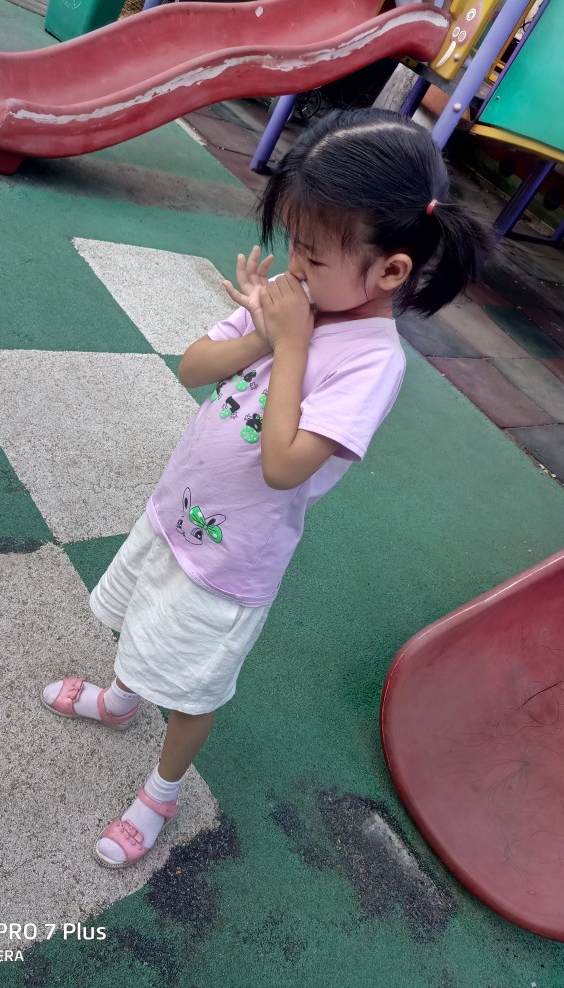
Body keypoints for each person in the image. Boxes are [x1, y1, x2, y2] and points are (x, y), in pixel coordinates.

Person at [40, 107, 493, 869]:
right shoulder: (294, 302)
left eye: (312, 255)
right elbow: (192, 367)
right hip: (178, 513)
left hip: (231, 562)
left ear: (389, 271)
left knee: (191, 687)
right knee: (144, 616)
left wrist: (290, 344)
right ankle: (119, 701)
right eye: (292, 245)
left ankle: (162, 792)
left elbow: (284, 465)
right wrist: (263, 328)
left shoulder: (372, 362)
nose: (293, 267)